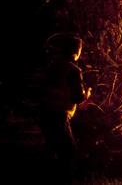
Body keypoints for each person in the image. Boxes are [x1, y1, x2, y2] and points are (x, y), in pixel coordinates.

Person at [39, 34, 91, 183]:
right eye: (80, 49)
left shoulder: (53, 65)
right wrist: (87, 93)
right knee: (68, 152)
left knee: (52, 149)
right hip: (59, 115)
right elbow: (77, 98)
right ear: (76, 51)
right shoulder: (73, 70)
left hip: (44, 113)